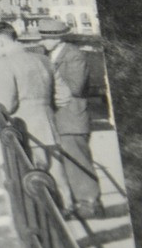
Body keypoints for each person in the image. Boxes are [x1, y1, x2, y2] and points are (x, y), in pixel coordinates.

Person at [0, 20, 73, 209]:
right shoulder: (43, 60)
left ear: (0, 41)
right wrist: (46, 109)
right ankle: (68, 210)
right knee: (57, 175)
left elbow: (7, 105)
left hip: (25, 129)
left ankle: (48, 223)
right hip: (48, 125)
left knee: (35, 180)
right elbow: (65, 95)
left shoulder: (3, 63)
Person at [39, 17, 105, 218]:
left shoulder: (74, 55)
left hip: (73, 116)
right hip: (61, 117)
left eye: (46, 38)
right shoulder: (49, 54)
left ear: (58, 38)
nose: (42, 41)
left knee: (79, 161)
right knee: (68, 161)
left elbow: (75, 87)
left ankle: (90, 204)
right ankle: (78, 204)